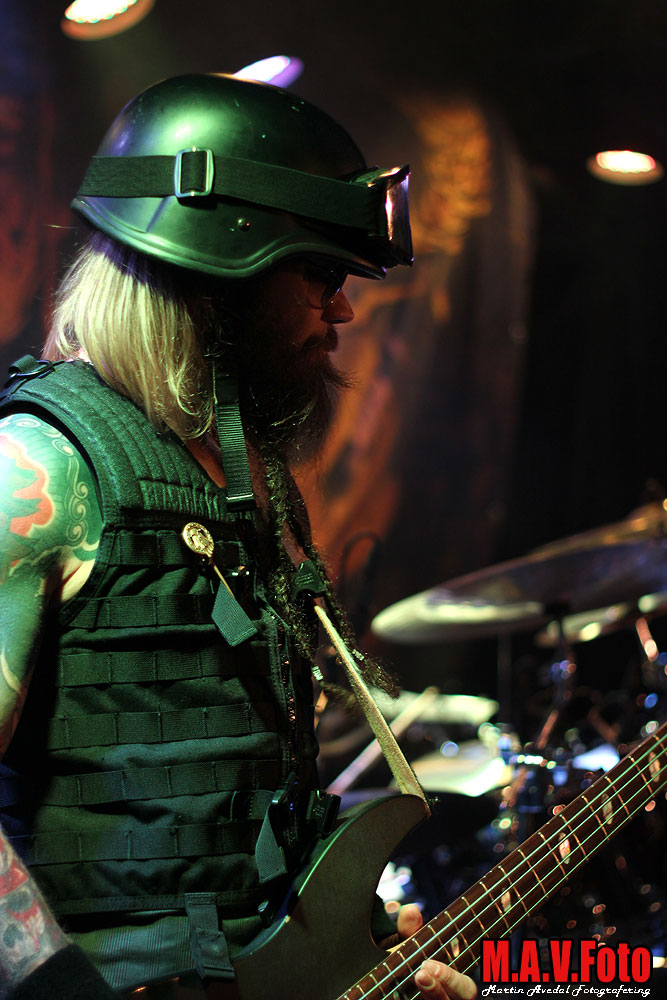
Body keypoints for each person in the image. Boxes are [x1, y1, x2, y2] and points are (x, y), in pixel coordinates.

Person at [0, 73, 476, 1000]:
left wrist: (356, 943)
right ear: (218, 273)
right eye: (322, 276)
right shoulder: (38, 465)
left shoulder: (241, 482)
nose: (342, 311)